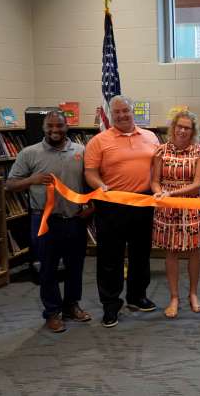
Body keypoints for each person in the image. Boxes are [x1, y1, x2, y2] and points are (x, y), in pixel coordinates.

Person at [6, 111, 91, 333]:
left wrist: (92, 207)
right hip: (43, 220)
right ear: (44, 128)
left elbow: (90, 184)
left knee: (75, 266)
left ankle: (72, 305)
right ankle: (52, 312)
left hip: (74, 220)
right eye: (50, 126)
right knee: (48, 268)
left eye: (59, 126)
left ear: (67, 126)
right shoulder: (29, 153)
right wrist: (31, 180)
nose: (55, 130)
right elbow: (10, 185)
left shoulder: (82, 151)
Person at [84, 95, 160, 328]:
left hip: (143, 202)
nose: (122, 115)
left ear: (132, 111)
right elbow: (90, 172)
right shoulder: (99, 141)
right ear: (111, 114)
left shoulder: (151, 136)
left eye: (125, 111)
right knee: (110, 257)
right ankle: (110, 305)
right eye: (116, 112)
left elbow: (157, 168)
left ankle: (137, 296)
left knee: (141, 254)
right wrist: (100, 185)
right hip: (111, 205)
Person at [150, 111, 200, 319]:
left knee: (194, 250)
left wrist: (170, 193)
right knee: (171, 252)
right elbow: (155, 180)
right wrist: (158, 191)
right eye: (180, 126)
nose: (183, 131)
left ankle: (193, 294)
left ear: (193, 131)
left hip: (191, 204)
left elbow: (196, 185)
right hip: (166, 206)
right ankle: (174, 297)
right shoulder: (161, 151)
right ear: (173, 128)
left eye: (187, 127)